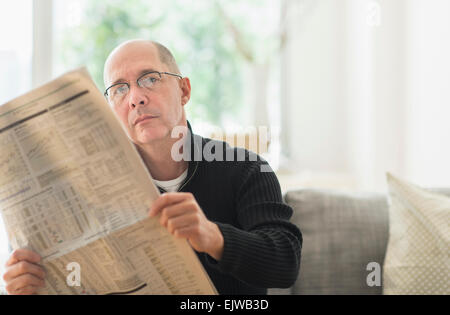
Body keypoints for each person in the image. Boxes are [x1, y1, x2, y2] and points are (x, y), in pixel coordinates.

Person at [2, 40, 302, 295]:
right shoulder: (87, 186)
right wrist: (30, 283)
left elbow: (286, 264)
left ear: (184, 91)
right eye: (119, 88)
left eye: (150, 79)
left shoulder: (246, 168)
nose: (135, 98)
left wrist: (213, 237)